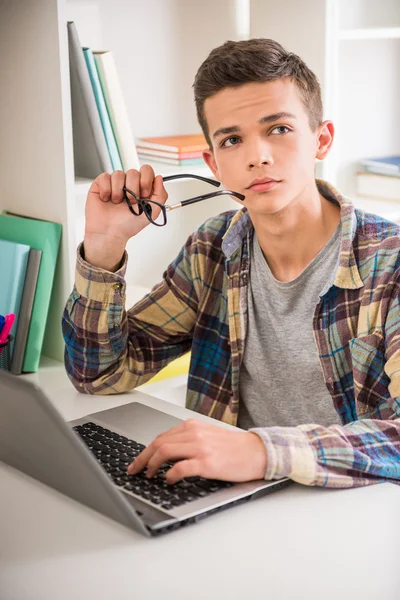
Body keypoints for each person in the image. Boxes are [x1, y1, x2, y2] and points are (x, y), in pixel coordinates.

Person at [63, 38, 400, 489]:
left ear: (322, 140)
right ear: (214, 162)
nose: (256, 155)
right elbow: (99, 374)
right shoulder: (212, 247)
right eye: (232, 139)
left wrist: (264, 451)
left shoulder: (390, 262)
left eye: (278, 128)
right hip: (232, 503)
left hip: (352, 516)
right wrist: (104, 248)